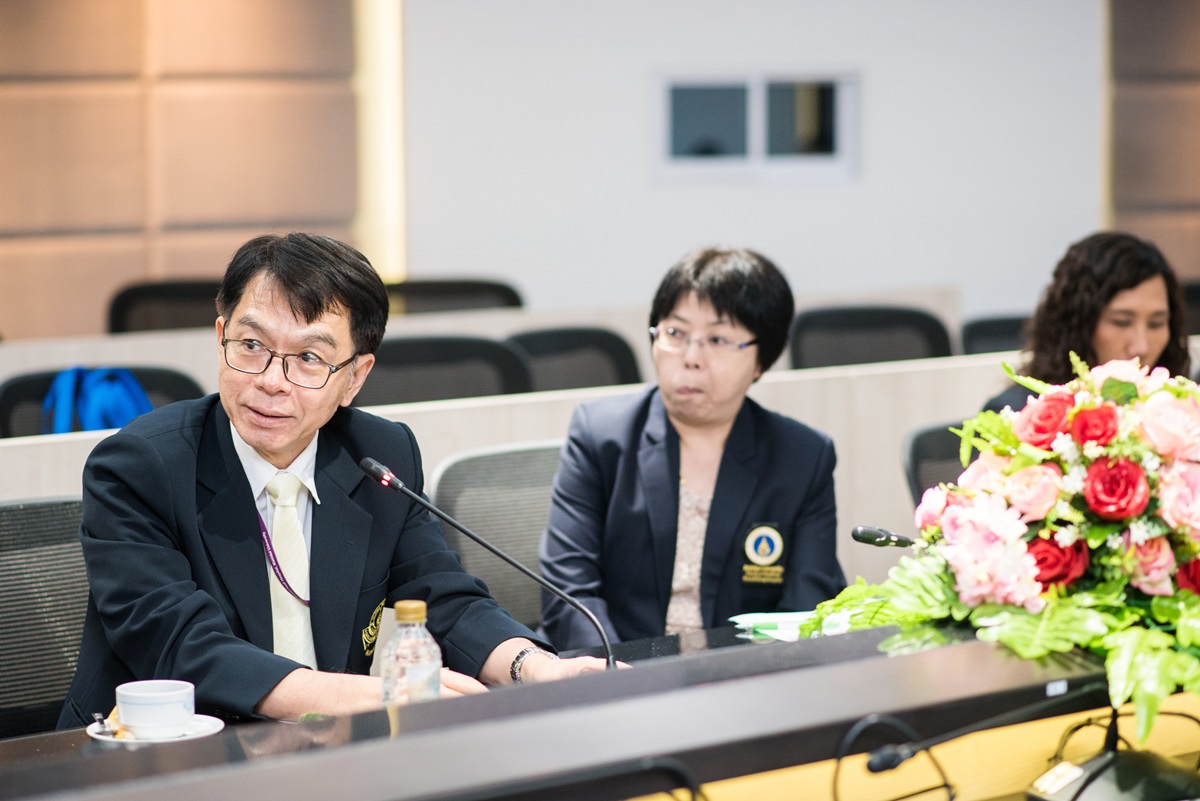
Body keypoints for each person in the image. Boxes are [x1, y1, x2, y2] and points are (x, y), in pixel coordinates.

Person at [58, 233, 604, 729]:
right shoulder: (140, 466)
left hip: (329, 754)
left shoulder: (379, 456)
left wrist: (534, 667)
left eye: (308, 358)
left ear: (354, 378)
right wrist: (366, 696)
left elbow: (444, 600)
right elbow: (182, 646)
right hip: (161, 752)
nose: (272, 381)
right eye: (251, 346)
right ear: (221, 337)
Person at [539, 247, 846, 650]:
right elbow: (569, 595)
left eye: (717, 339)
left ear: (761, 360)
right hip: (614, 669)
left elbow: (807, 606)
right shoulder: (600, 435)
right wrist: (620, 674)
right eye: (675, 333)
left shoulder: (803, 457)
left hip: (746, 675)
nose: (691, 358)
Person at [983, 231, 1191, 413]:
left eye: (1156, 324)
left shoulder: (1184, 410)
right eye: (1121, 322)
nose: (1141, 347)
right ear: (1077, 323)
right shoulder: (1017, 414)